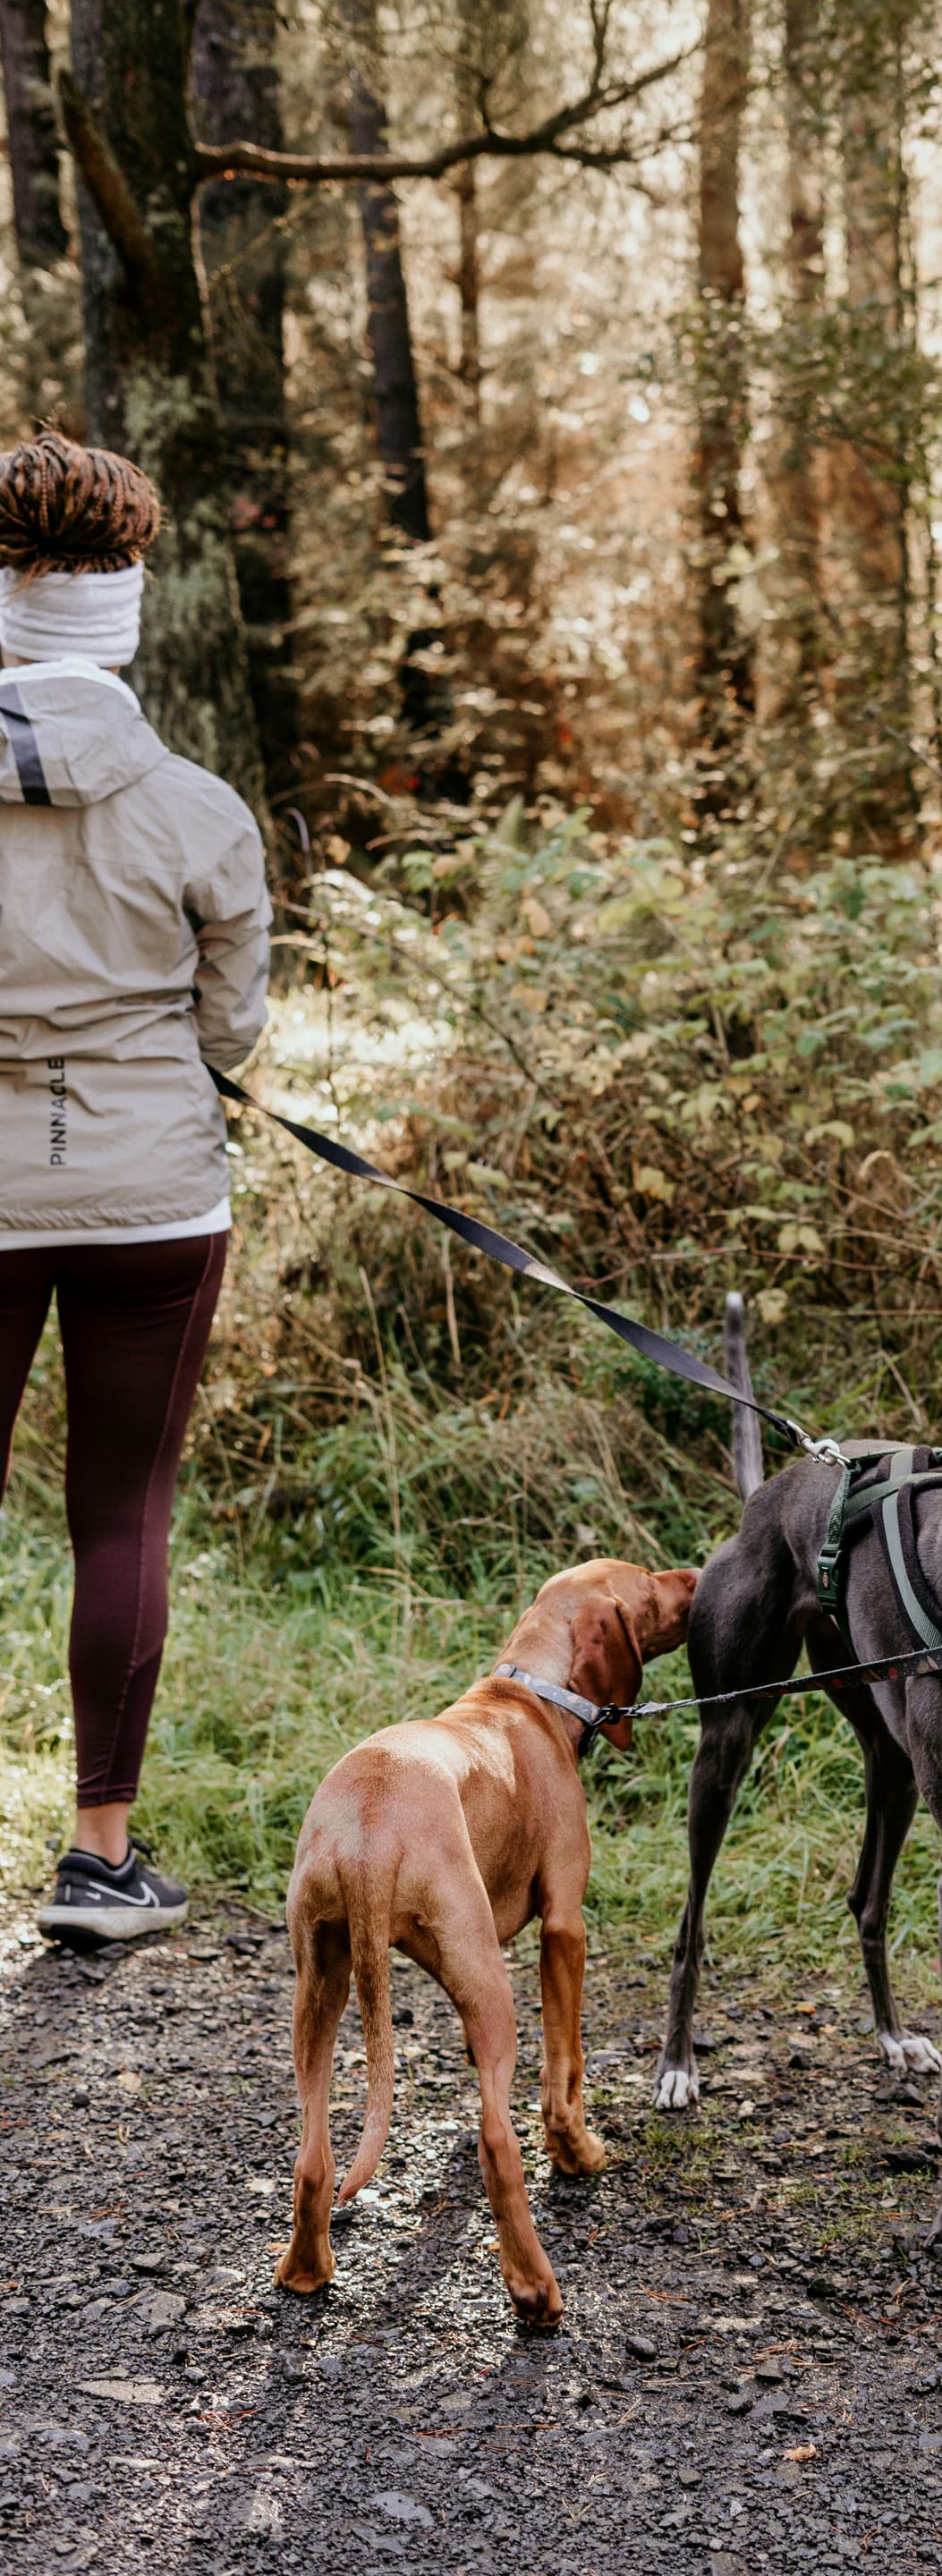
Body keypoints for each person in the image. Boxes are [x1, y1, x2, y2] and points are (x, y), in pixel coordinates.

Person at [0, 431, 271, 1944]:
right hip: (150, 1190)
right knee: (120, 1511)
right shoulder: (195, 807)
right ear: (128, 612)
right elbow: (232, 1021)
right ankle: (100, 1860)